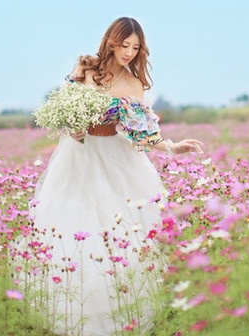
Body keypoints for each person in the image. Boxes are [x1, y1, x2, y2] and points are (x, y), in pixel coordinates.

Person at [29, 17, 203, 335]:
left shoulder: (133, 83)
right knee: (79, 227)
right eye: (125, 45)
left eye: (136, 48)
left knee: (125, 233)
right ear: (111, 41)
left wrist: (171, 146)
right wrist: (74, 126)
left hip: (119, 156)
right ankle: (79, 315)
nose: (129, 52)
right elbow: (66, 108)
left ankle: (124, 314)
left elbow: (143, 133)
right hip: (80, 156)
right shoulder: (86, 68)